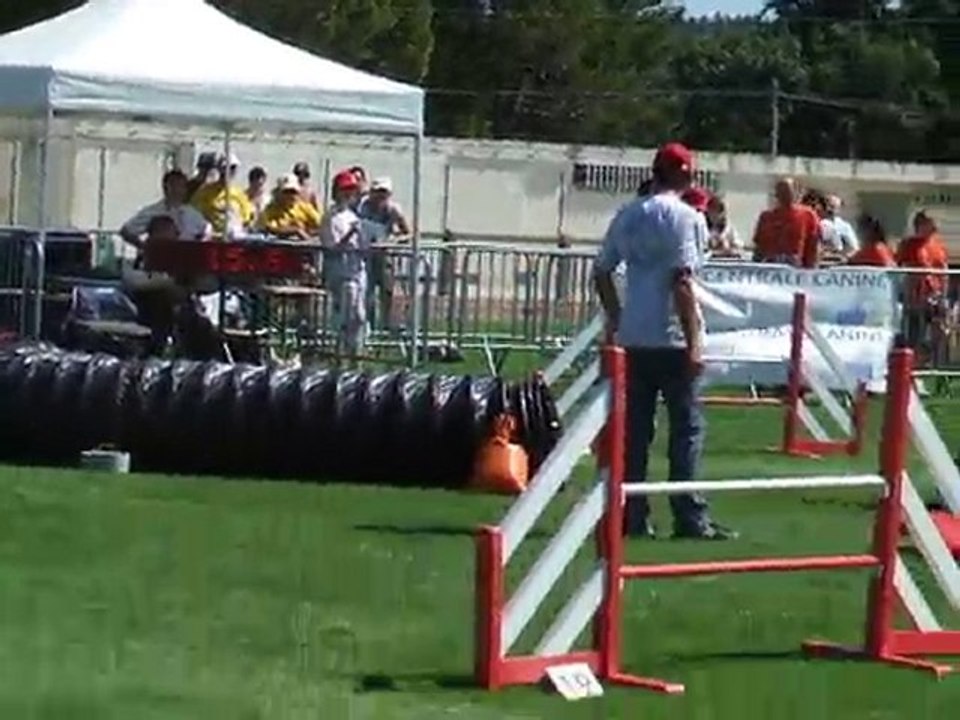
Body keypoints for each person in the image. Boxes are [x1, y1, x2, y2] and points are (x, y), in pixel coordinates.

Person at [593, 141, 736, 541]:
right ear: (682, 174)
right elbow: (682, 282)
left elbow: (602, 271)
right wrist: (694, 342)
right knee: (686, 429)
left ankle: (632, 514)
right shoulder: (687, 217)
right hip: (671, 337)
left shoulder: (627, 214)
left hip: (634, 337)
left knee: (635, 432)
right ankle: (689, 516)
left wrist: (617, 318)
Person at [320, 170, 368, 360]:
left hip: (357, 269)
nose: (348, 193)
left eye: (351, 189)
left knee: (360, 316)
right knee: (348, 315)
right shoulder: (330, 217)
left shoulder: (352, 215)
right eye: (344, 189)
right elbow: (332, 247)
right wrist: (350, 235)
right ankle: (342, 354)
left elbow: (363, 244)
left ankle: (355, 353)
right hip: (341, 271)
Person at [120, 169, 211, 253]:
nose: (178, 189)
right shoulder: (153, 211)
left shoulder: (193, 214)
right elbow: (126, 230)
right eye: (174, 185)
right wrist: (144, 248)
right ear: (165, 187)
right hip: (161, 259)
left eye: (181, 186)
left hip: (187, 259)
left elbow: (206, 231)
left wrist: (199, 247)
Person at [896, 211, 949, 353]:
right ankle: (913, 359)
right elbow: (898, 267)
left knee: (937, 334)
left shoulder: (938, 246)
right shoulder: (907, 245)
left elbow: (944, 271)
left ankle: (934, 361)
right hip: (915, 298)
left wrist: (943, 296)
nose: (935, 227)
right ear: (921, 225)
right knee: (914, 333)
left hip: (934, 297)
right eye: (931, 223)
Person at [752, 177, 821, 267]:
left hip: (796, 267)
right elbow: (759, 248)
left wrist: (811, 269)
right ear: (776, 195)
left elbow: (814, 245)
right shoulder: (766, 217)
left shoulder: (808, 215)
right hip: (770, 266)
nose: (784, 195)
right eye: (781, 192)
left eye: (788, 191)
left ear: (797, 193)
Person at [190, 153, 255, 239]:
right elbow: (193, 211)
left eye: (233, 168)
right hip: (211, 237)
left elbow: (247, 217)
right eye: (226, 168)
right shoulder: (205, 191)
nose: (229, 171)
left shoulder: (239, 193)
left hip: (234, 237)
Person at [257, 174, 322, 240]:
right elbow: (270, 228)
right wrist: (295, 230)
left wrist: (309, 232)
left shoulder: (306, 208)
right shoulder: (270, 210)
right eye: (286, 192)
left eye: (293, 192)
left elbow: (321, 226)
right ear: (279, 193)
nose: (290, 195)